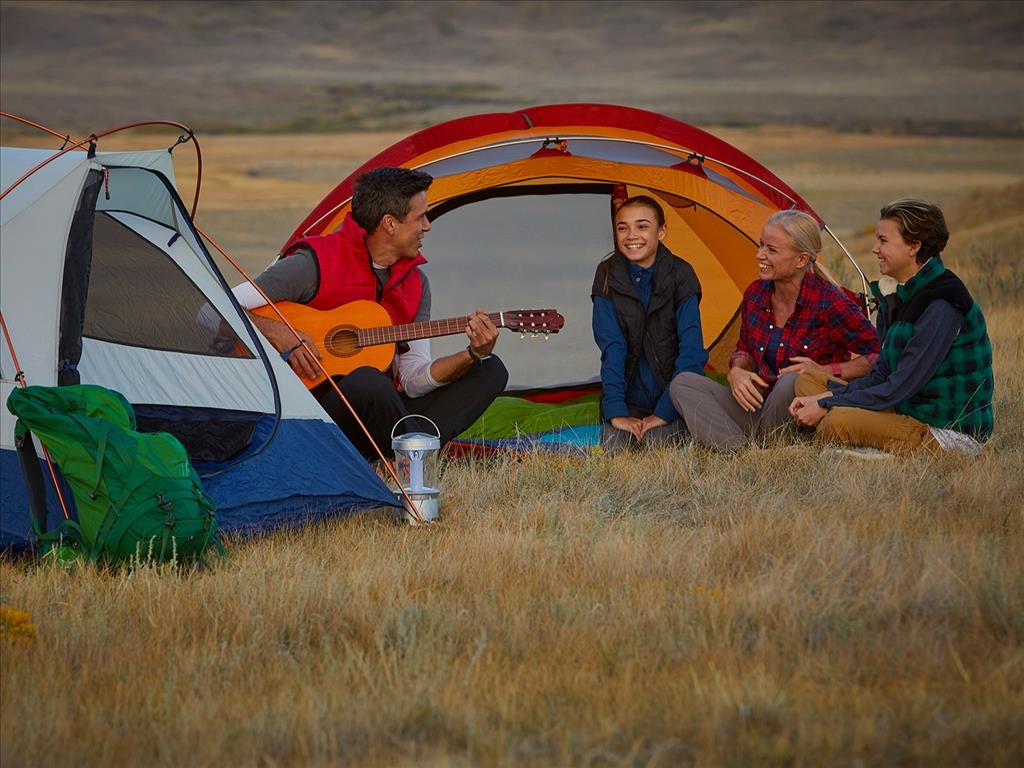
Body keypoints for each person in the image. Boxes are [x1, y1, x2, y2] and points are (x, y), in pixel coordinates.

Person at [244, 166, 508, 459]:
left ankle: (404, 454)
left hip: (382, 414)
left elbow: (412, 379)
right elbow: (211, 307)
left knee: (490, 369)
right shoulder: (313, 263)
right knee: (368, 381)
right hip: (312, 416)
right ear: (389, 223)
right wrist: (279, 332)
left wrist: (471, 354)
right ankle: (410, 455)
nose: (428, 226)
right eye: (420, 217)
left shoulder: (416, 283)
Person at [789, 199, 994, 455]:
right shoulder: (898, 294)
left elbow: (897, 388)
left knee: (837, 420)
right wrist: (824, 398)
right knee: (807, 382)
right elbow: (880, 375)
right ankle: (861, 443)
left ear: (914, 246)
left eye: (883, 241)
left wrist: (827, 403)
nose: (875, 249)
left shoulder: (942, 304)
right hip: (905, 408)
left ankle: (863, 448)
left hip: (945, 431)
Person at [669, 210, 880, 452]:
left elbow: (878, 356)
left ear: (801, 260)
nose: (760, 255)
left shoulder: (831, 303)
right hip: (764, 407)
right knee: (683, 383)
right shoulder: (755, 294)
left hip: (804, 415)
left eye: (772, 250)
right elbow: (744, 348)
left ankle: (764, 446)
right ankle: (742, 453)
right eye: (761, 245)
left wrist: (822, 371)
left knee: (792, 380)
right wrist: (737, 371)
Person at [591, 195, 706, 452]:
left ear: (661, 231)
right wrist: (616, 412)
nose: (632, 235)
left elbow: (692, 354)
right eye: (623, 227)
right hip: (630, 399)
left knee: (657, 445)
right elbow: (612, 348)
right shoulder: (607, 274)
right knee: (616, 449)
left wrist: (664, 413)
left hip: (674, 397)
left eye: (642, 226)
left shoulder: (681, 274)